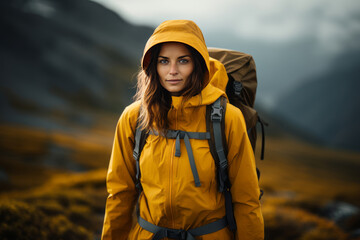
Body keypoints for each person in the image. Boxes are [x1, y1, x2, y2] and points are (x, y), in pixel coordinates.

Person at [101, 20, 264, 240]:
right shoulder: (133, 118)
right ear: (153, 66)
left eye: (183, 61)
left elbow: (247, 200)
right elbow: (119, 194)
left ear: (198, 64)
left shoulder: (227, 118)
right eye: (164, 61)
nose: (173, 71)